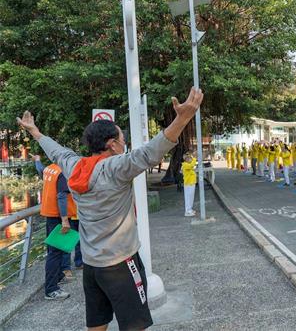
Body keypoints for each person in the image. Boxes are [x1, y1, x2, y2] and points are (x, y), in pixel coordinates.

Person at [18, 88, 203, 331]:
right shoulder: (116, 168)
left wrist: (36, 132)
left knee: (97, 323)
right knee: (135, 324)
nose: (125, 145)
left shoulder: (74, 166)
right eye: (122, 140)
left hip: (93, 266)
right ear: (112, 144)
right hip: (121, 263)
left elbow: (56, 150)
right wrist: (182, 119)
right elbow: (151, 152)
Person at [35, 156, 77, 300]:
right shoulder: (62, 172)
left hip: (50, 214)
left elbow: (40, 170)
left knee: (55, 251)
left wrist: (37, 161)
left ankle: (58, 276)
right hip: (59, 217)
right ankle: (51, 289)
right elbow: (61, 196)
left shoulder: (50, 169)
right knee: (55, 253)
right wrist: (65, 220)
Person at [181, 152, 197, 217]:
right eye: (189, 158)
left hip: (191, 183)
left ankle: (190, 209)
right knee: (188, 198)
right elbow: (192, 165)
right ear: (186, 159)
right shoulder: (185, 165)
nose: (191, 159)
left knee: (191, 197)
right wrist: (195, 158)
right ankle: (187, 211)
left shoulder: (188, 164)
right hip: (188, 184)